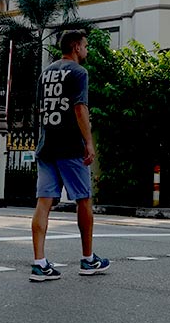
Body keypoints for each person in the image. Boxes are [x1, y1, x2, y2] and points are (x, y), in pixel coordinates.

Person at [30, 29, 110, 281]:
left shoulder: (46, 73)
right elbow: (79, 108)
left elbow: (40, 109)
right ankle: (88, 260)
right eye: (85, 46)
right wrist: (89, 142)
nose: (87, 50)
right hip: (70, 147)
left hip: (46, 145)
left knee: (44, 202)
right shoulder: (79, 73)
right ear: (76, 47)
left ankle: (39, 262)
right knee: (83, 199)